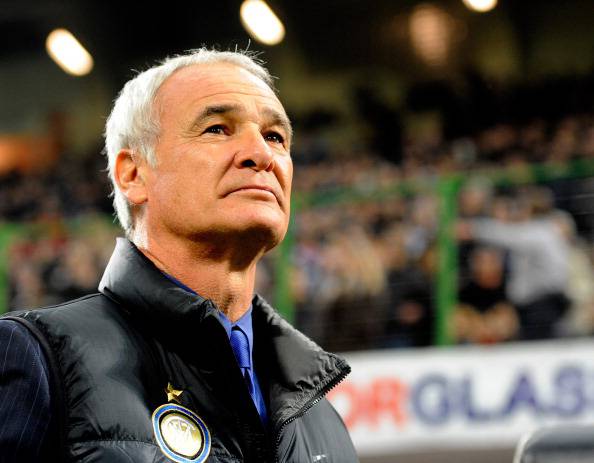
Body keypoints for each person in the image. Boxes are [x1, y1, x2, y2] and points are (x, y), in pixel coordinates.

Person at [0, 49, 358, 463]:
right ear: (133, 174)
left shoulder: (322, 419)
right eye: (217, 129)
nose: (261, 154)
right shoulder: (40, 361)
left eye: (275, 136)